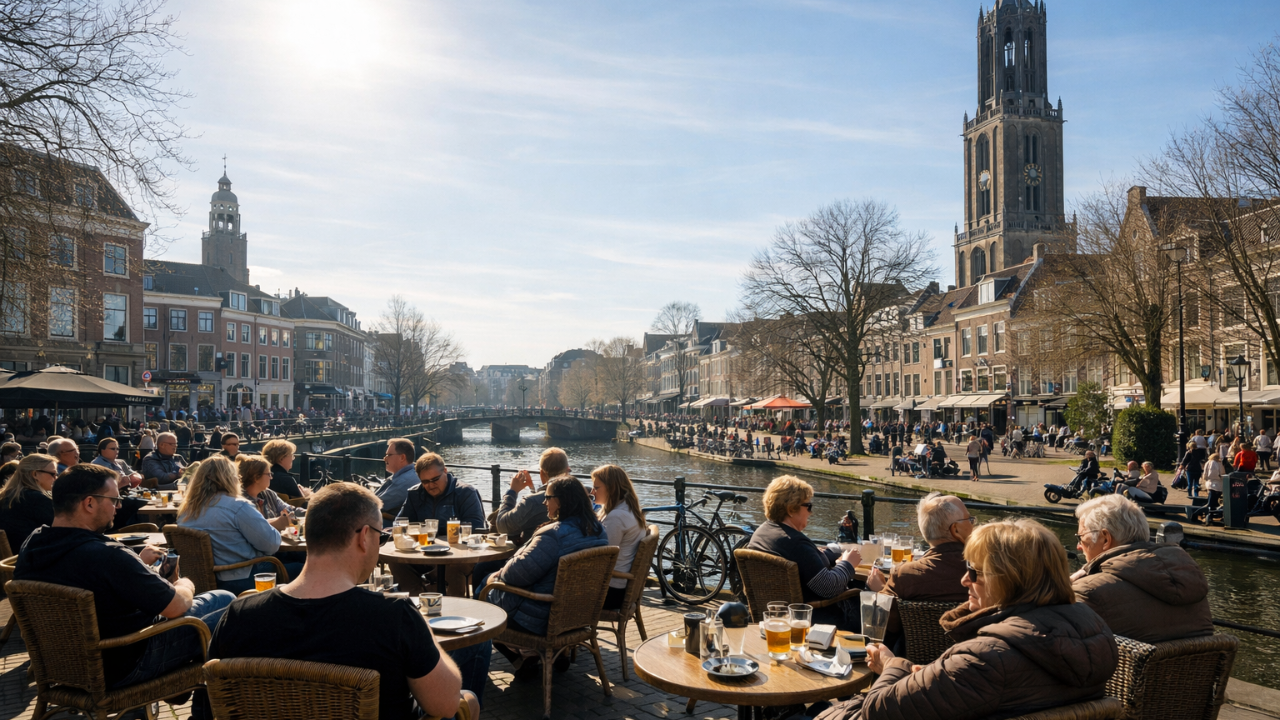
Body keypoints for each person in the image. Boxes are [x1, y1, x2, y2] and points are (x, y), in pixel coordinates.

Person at [201, 482, 477, 720]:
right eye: (380, 537)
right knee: (468, 699)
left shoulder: (238, 614)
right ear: (364, 537)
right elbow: (445, 703)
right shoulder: (393, 617)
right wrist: (422, 630)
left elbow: (206, 706)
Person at [813, 519, 1117, 720]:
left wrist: (893, 666)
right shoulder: (1094, 631)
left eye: (974, 571)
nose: (963, 580)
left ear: (1009, 578)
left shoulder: (983, 659)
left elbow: (878, 711)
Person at [14, 464, 234, 691]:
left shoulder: (34, 543)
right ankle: (209, 700)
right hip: (124, 664)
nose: (118, 507)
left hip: (62, 666)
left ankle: (187, 691)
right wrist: (185, 583)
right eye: (114, 500)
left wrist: (136, 563)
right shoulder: (107, 554)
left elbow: (91, 579)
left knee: (219, 603)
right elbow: (176, 607)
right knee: (228, 604)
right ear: (89, 503)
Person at [484, 475, 609, 674]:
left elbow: (515, 575)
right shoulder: (598, 530)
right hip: (579, 615)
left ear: (559, 501)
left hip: (542, 619)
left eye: (548, 497)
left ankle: (520, 657)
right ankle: (547, 652)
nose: (544, 502)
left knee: (484, 589)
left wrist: (498, 574)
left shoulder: (553, 535)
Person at [1070, 494, 1213, 643]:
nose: (1078, 546)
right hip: (1199, 666)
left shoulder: (1088, 590)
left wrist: (1065, 587)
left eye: (1080, 537)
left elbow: (1061, 648)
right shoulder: (1189, 575)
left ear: (1106, 539)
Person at [746, 475, 862, 629]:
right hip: (818, 620)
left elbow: (805, 562)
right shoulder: (795, 542)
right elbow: (827, 587)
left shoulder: (763, 532)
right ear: (791, 509)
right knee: (880, 612)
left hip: (776, 617)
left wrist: (825, 553)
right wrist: (848, 563)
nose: (810, 512)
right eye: (808, 506)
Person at [177, 456, 297, 594]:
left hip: (199, 581)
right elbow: (271, 544)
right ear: (231, 478)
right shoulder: (238, 506)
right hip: (241, 578)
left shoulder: (186, 510)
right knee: (302, 568)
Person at [865, 493, 972, 638]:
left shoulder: (905, 575)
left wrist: (881, 590)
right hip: (973, 655)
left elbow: (885, 625)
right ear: (955, 530)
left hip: (915, 658)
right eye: (969, 519)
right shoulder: (984, 570)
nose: (973, 524)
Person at [390, 453, 487, 595]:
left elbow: (476, 527)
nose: (431, 485)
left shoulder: (465, 492)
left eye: (435, 479)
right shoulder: (415, 494)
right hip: (425, 553)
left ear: (445, 471)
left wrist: (443, 539)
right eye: (425, 482)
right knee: (396, 561)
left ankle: (454, 610)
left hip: (460, 553)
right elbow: (400, 524)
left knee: (452, 566)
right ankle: (417, 601)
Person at [590, 464, 647, 610]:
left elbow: (602, 555)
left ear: (612, 488)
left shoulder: (616, 517)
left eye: (596, 488)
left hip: (611, 592)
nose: (592, 491)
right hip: (621, 586)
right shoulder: (628, 509)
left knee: (556, 588)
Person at [492, 447, 568, 548]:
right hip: (564, 554)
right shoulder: (581, 495)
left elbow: (502, 525)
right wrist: (532, 489)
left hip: (535, 556)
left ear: (542, 473)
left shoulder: (531, 502)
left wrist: (512, 492)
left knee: (483, 564)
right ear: (567, 470)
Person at [0, 454, 57, 548]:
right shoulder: (38, 500)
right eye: (53, 474)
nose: (56, 478)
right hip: (32, 557)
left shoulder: (5, 496)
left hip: (12, 558)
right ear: (35, 474)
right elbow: (59, 532)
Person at [374, 438, 419, 524]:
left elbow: (374, 504)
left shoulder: (406, 481)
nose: (385, 458)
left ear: (402, 457)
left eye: (389, 455)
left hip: (388, 530)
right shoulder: (402, 476)